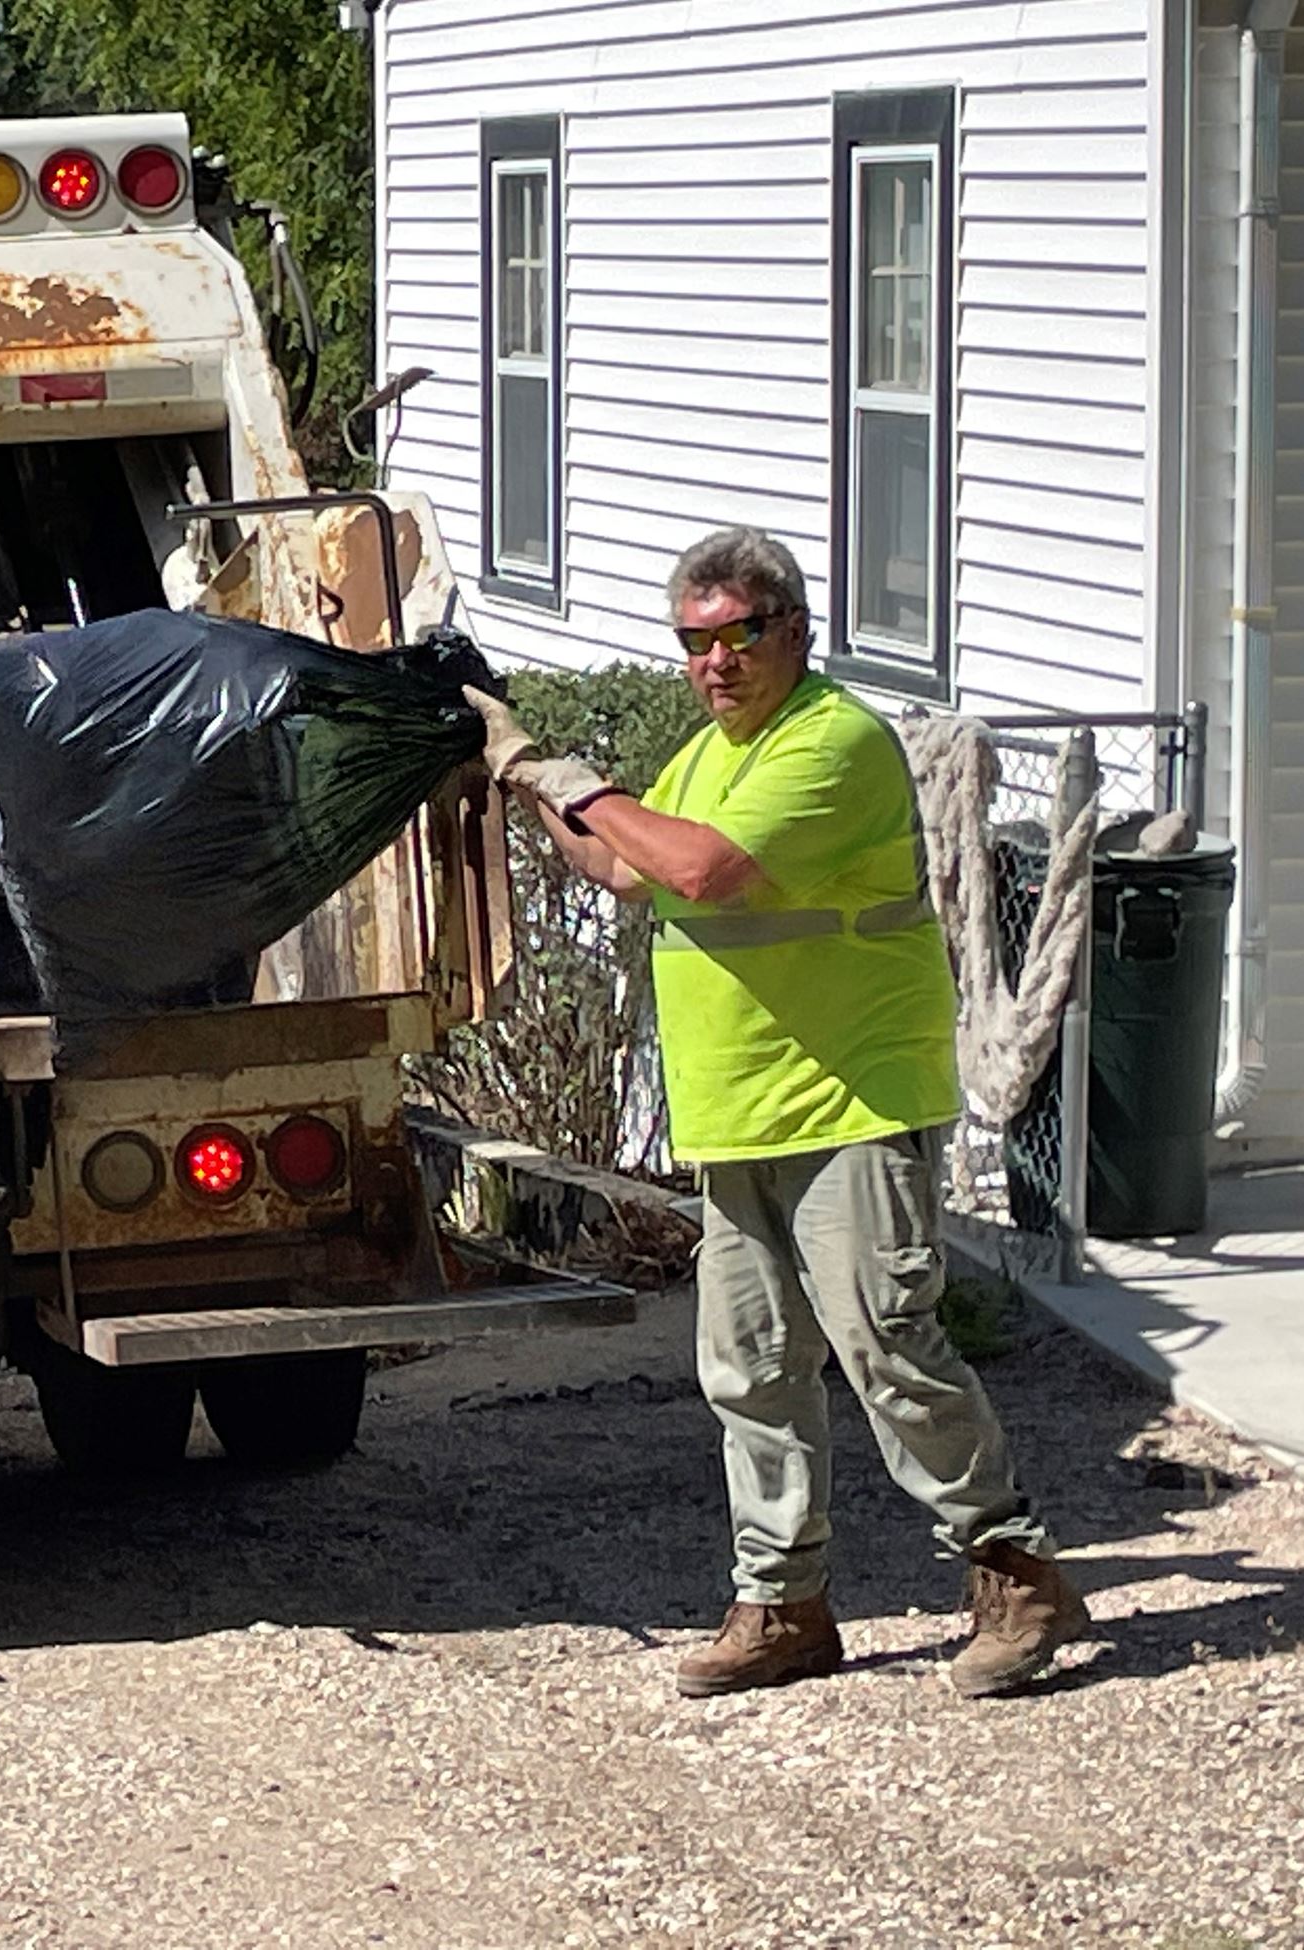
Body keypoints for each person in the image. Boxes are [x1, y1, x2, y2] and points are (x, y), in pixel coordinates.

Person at [467, 526, 1090, 1700]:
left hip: (847, 1102)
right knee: (747, 1371)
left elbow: (699, 871)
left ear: (792, 631)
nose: (713, 662)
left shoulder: (832, 742)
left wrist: (570, 781)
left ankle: (1016, 1573)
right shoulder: (712, 756)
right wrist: (522, 775)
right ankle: (780, 1607)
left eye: (736, 636)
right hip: (738, 1113)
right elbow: (623, 866)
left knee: (886, 1347)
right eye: (693, 642)